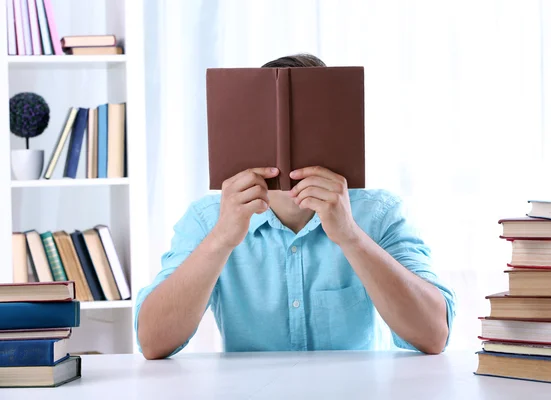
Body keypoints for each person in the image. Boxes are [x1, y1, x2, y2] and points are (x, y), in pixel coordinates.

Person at [135, 54, 456, 360]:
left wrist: (351, 237)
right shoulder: (208, 219)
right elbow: (152, 342)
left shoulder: (380, 213)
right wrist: (221, 239)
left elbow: (433, 336)